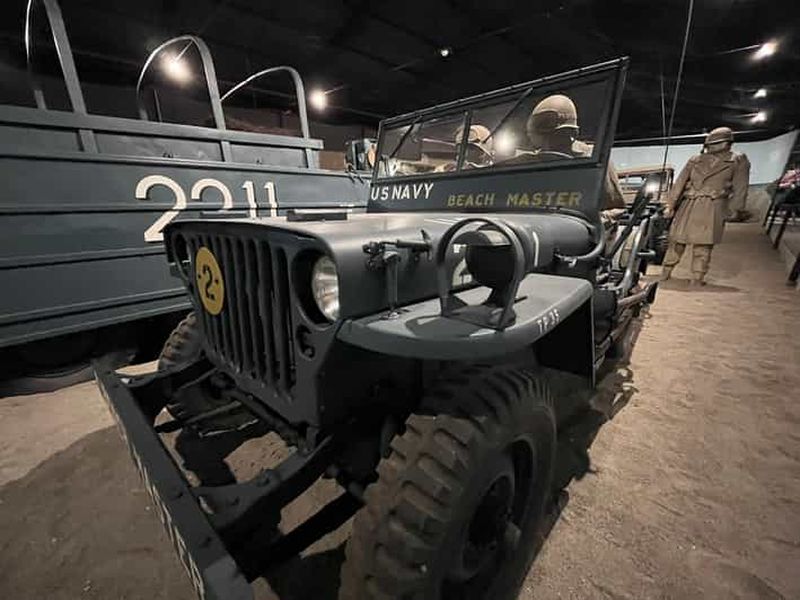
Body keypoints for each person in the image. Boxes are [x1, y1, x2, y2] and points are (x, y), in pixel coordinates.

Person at [661, 126, 751, 286]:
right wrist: (670, 204)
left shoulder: (737, 160)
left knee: (703, 245)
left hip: (713, 206)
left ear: (727, 143)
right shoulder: (695, 160)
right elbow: (680, 183)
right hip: (690, 204)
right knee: (676, 242)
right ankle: (666, 272)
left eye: (717, 143)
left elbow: (740, 186)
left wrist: (736, 208)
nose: (712, 147)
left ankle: (697, 277)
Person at [527, 94, 626, 210]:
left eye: (552, 136)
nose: (546, 142)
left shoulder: (593, 157)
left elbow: (615, 208)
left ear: (569, 132)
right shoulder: (534, 161)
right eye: (542, 136)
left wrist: (589, 222)